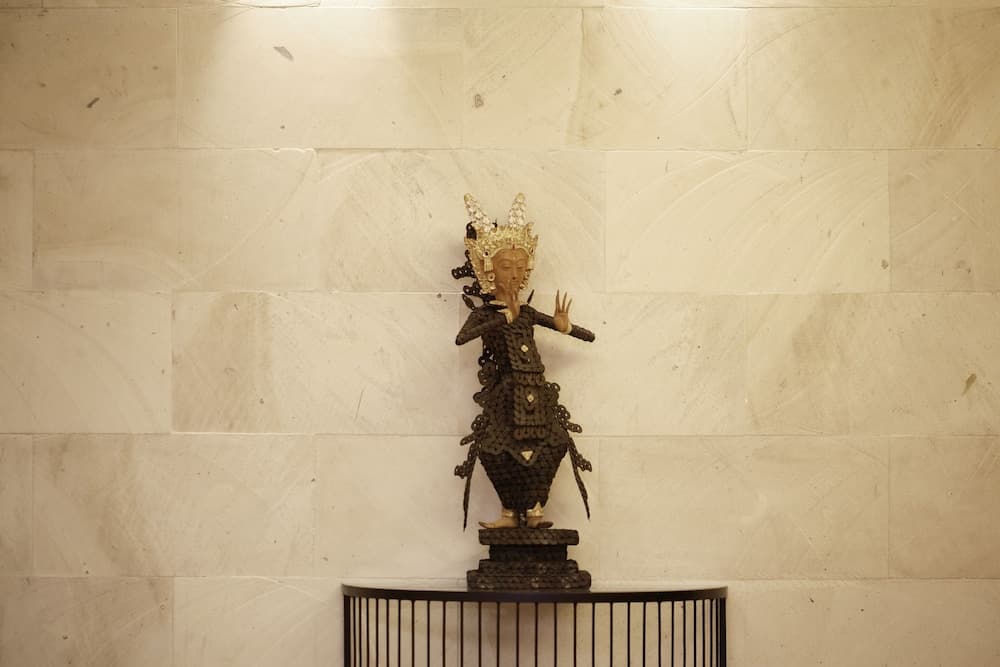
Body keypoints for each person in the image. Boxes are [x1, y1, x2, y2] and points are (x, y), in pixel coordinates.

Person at [453, 193, 594, 529]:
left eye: (520, 267)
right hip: (506, 393)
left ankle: (534, 509)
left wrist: (565, 326)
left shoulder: (527, 313)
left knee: (552, 443)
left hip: (537, 389)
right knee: (496, 448)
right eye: (506, 267)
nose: (514, 274)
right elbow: (462, 338)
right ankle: (508, 513)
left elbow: (587, 336)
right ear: (489, 269)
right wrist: (504, 318)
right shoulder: (487, 314)